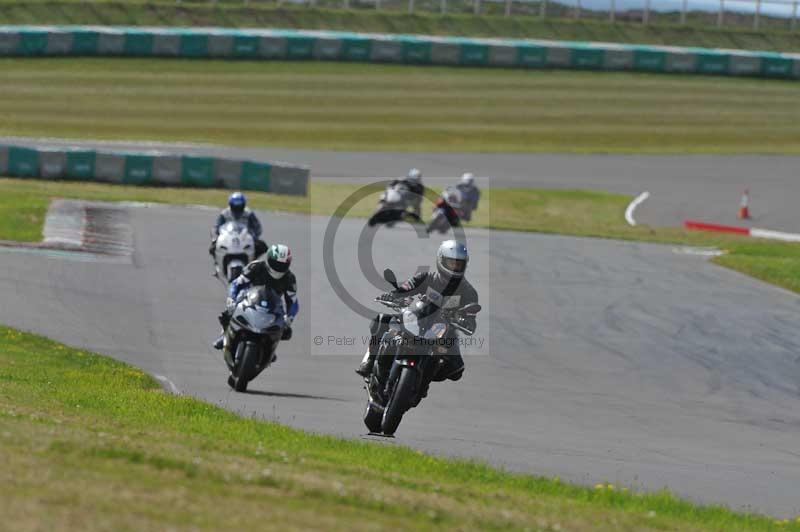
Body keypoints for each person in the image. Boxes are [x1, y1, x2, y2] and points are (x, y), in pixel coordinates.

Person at [355, 240, 478, 382]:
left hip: (444, 330)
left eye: (459, 264)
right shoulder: (426, 278)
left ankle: (424, 377)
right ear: (441, 260)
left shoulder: (469, 292)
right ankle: (370, 361)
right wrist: (394, 295)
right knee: (380, 320)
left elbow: (471, 316)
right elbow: (405, 289)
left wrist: (466, 321)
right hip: (416, 317)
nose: (455, 268)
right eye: (451, 263)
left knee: (456, 369)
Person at [213, 244, 299, 353]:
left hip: (273, 305)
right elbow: (237, 283)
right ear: (269, 260)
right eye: (276, 263)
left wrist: (289, 318)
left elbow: (293, 302)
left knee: (285, 329)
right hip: (249, 299)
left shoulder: (290, 278)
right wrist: (231, 298)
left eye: (282, 265)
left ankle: (270, 348)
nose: (278, 267)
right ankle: (224, 337)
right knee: (229, 312)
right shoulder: (255, 266)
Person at [209, 192, 267, 258]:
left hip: (245, 239)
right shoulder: (225, 213)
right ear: (230, 205)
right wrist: (215, 238)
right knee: (212, 248)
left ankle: (252, 261)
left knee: (262, 246)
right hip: (227, 240)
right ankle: (218, 263)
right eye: (235, 206)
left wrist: (253, 237)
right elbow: (216, 227)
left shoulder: (248, 213)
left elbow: (257, 227)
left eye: (239, 206)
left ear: (243, 205)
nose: (237, 208)